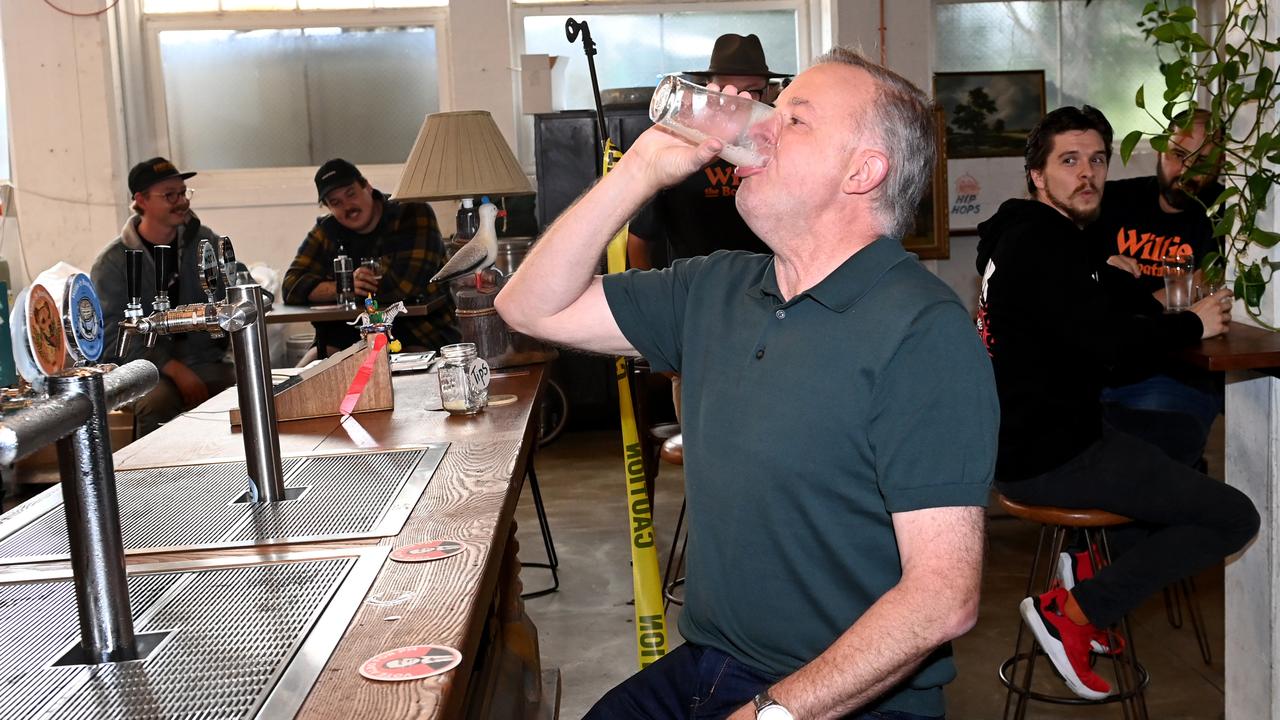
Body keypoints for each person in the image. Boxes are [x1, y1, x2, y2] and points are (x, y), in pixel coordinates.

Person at [498, 48, 998, 720]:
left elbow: (943, 597)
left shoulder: (921, 333)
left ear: (862, 172)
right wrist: (640, 170)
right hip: (708, 665)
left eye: (794, 120)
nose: (755, 128)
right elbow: (529, 307)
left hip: (844, 696)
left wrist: (773, 714)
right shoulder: (718, 287)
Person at [974, 105, 1259, 700]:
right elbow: (1111, 347)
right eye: (1069, 161)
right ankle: (1075, 612)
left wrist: (1125, 287)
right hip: (1057, 457)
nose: (1088, 174)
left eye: (1097, 160)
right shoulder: (1043, 246)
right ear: (1036, 174)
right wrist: (1189, 325)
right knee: (1234, 516)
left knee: (1180, 437)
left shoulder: (1027, 233)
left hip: (1034, 436)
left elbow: (1087, 309)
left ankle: (1089, 565)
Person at [1090, 109, 1226, 462]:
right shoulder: (1114, 200)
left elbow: (1206, 295)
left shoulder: (1226, 217)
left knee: (1140, 461)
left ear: (1221, 164)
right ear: (1161, 149)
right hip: (1097, 371)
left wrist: (1120, 298)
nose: (1186, 171)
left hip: (1175, 375)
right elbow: (1068, 280)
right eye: (1179, 156)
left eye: (1202, 162)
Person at [92, 157, 236, 437]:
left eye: (183, 193)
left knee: (238, 388)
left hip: (203, 361)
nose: (181, 201)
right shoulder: (112, 263)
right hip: (141, 369)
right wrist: (173, 368)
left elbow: (233, 281)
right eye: (169, 195)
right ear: (141, 200)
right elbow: (110, 335)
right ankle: (150, 478)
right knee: (157, 401)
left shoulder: (204, 241)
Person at [626, 33, 788, 270]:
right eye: (726, 89)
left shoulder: (783, 145)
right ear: (709, 90)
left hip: (770, 292)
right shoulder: (679, 144)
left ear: (768, 94)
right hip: (692, 295)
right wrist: (646, 298)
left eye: (752, 92)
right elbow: (639, 239)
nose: (739, 101)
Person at [282, 159, 458, 358]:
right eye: (335, 202)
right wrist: (344, 285)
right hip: (347, 338)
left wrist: (335, 290)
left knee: (394, 372)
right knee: (299, 379)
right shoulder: (327, 230)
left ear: (367, 186)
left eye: (351, 194)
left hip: (417, 334)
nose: (348, 207)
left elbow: (403, 286)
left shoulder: (412, 212)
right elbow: (291, 286)